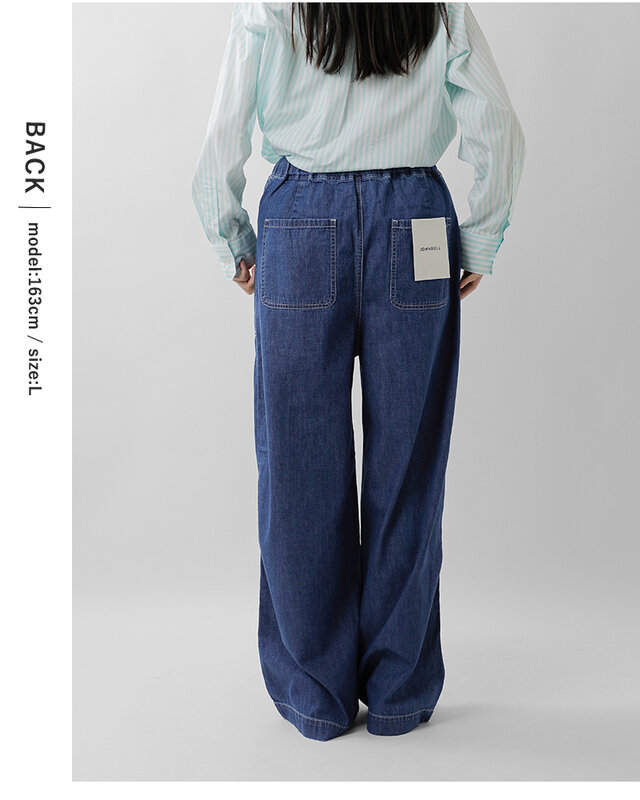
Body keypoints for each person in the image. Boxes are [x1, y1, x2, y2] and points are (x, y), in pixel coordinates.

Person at [191, 1, 525, 740]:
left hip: (300, 220)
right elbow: (499, 126)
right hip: (417, 217)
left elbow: (223, 133)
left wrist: (232, 236)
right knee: (410, 464)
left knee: (298, 466)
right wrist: (479, 236)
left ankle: (315, 693)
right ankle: (399, 692)